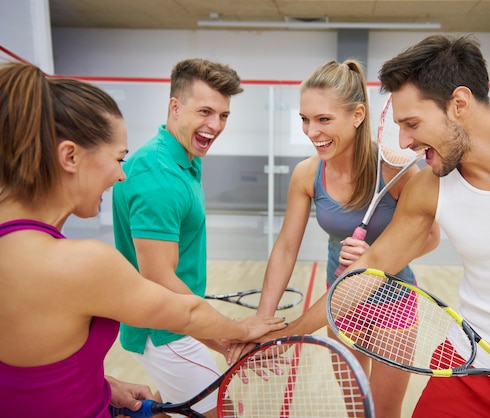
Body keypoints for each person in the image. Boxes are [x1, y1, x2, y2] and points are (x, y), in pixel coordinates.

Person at [267, 34, 490, 417]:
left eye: (413, 124)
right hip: (465, 366)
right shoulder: (429, 187)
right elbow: (367, 273)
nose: (404, 143)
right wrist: (288, 332)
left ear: (459, 104)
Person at [0, 62, 285, 418]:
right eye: (118, 158)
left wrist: (104, 386)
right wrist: (239, 331)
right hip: (165, 333)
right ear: (70, 156)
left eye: (222, 115)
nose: (122, 175)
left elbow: (34, 364)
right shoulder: (85, 257)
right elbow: (174, 299)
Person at [241, 59, 439, 418]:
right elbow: (286, 248)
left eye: (323, 119)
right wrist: (264, 322)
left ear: (358, 115)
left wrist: (376, 254)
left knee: (384, 412)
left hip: (394, 303)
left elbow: (431, 238)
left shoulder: (394, 171)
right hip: (340, 305)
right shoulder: (307, 174)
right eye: (305, 119)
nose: (311, 131)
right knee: (357, 410)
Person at [111, 58, 249, 418]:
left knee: (170, 406)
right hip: (163, 330)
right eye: (205, 111)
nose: (215, 125)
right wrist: (223, 335)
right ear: (175, 107)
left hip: (177, 319)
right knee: (224, 411)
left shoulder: (185, 157)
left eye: (223, 115)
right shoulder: (158, 174)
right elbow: (158, 277)